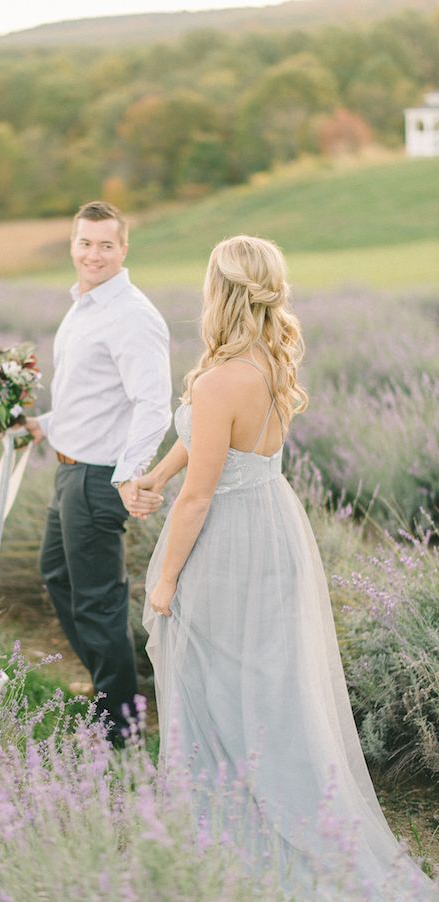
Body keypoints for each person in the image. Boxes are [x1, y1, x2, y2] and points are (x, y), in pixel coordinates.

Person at [140, 236, 437, 898]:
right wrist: (156, 474)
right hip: (273, 524)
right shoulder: (268, 363)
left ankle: (235, 824)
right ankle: (250, 805)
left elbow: (201, 495)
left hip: (229, 540)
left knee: (214, 674)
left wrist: (164, 582)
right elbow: (201, 448)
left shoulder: (221, 379)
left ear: (220, 292)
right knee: (266, 680)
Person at [25, 200, 171, 745]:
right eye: (85, 243)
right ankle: (115, 692)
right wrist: (42, 424)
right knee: (57, 575)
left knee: (97, 599)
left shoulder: (131, 314)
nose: (94, 254)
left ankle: (121, 727)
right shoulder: (83, 305)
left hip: (99, 477)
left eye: (106, 244)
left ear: (124, 249)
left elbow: (153, 402)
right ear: (72, 245)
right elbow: (87, 394)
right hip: (68, 469)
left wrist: (130, 474)